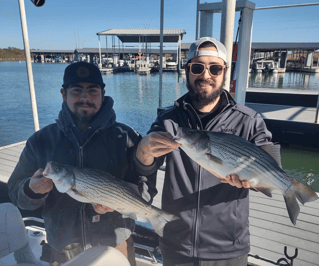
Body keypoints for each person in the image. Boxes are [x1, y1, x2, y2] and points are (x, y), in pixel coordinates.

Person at [135, 37, 274, 266]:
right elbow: (144, 168)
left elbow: (266, 167)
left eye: (215, 68)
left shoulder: (249, 121)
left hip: (228, 247)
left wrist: (254, 180)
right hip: (176, 243)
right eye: (198, 67)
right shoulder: (169, 120)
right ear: (187, 70)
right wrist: (143, 150)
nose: (206, 75)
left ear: (225, 72)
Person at [8, 61, 157, 266]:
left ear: (102, 93)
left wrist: (118, 203)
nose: (85, 97)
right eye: (77, 90)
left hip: (116, 247)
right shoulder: (40, 140)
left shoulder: (128, 137)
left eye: (92, 90)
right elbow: (15, 192)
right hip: (62, 252)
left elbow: (146, 187)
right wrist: (31, 191)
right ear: (63, 94)